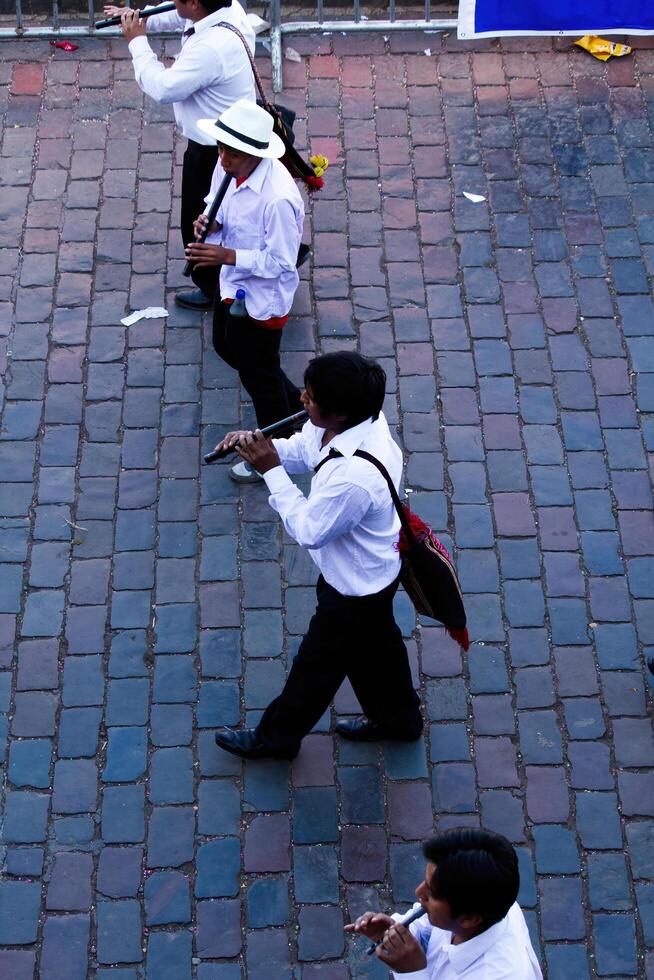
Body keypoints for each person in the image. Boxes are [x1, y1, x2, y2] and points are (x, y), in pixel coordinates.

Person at [212, 351, 424, 759]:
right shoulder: (354, 422)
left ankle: (275, 739)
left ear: (339, 414)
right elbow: (306, 449)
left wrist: (270, 470)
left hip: (355, 587)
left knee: (316, 666)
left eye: (310, 398)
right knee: (377, 650)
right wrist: (260, 446)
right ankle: (400, 720)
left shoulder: (353, 480)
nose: (302, 399)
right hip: (371, 574)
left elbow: (310, 530)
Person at [104, 0, 256, 310]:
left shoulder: (211, 49)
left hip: (214, 151)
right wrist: (140, 16)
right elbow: (177, 13)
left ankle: (214, 288)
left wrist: (137, 42)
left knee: (200, 222)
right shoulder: (226, 10)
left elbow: (164, 87)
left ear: (195, 3)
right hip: (228, 138)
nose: (172, 1)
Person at [185, 99, 305, 484]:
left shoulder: (279, 199)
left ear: (253, 153)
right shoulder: (229, 171)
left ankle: (274, 449)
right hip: (232, 288)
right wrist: (210, 224)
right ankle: (299, 406)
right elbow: (216, 209)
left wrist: (226, 254)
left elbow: (283, 261)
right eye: (220, 149)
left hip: (261, 300)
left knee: (258, 376)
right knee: (228, 347)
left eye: (230, 153)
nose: (221, 159)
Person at [346, 829, 543, 979]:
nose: (418, 892)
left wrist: (411, 972)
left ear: (469, 919)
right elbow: (428, 929)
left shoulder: (500, 974)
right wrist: (399, 930)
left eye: (431, 894)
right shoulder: (484, 900)